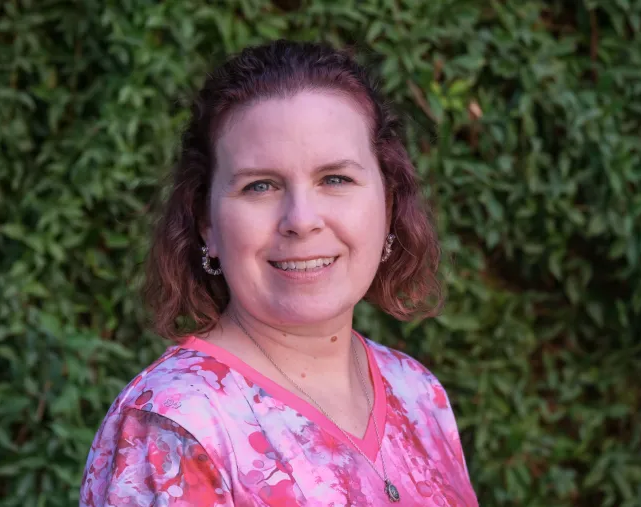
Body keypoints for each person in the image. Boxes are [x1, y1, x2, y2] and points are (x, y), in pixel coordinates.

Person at [80, 39, 478, 506]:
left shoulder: (416, 393)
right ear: (206, 222)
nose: (301, 219)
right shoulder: (177, 427)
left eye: (335, 179)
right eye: (260, 186)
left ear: (388, 204)